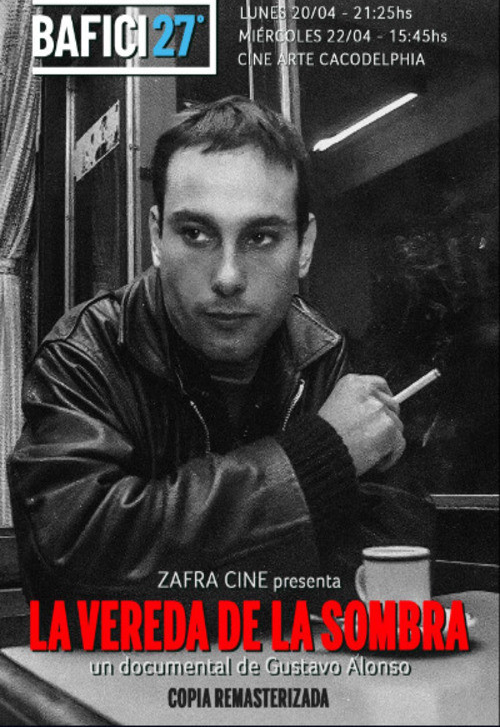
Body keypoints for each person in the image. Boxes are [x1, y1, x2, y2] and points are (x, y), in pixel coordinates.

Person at [8, 96, 434, 627]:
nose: (228, 276)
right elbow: (71, 575)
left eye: (260, 237)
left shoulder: (323, 355)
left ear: (304, 247)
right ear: (156, 237)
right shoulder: (85, 354)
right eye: (196, 233)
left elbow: (391, 556)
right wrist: (320, 456)